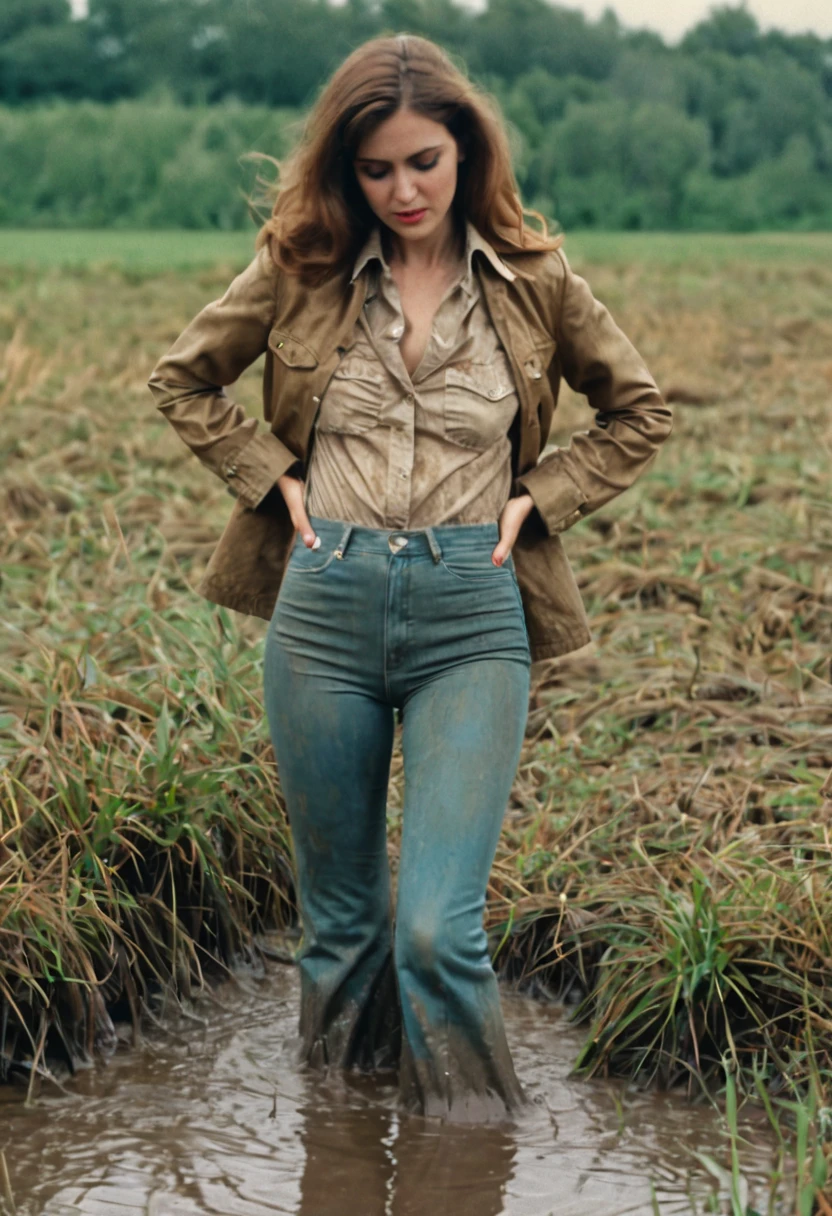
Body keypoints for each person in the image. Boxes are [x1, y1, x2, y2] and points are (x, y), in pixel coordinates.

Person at [148, 33, 672, 1122]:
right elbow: (183, 379)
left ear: (464, 150)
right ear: (347, 171)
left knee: (439, 927)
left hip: (471, 612)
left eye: (423, 162)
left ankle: (467, 1152)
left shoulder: (535, 278)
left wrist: (542, 496)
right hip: (325, 607)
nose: (402, 190)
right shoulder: (300, 268)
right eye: (376, 169)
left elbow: (640, 412)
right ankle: (338, 1142)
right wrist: (274, 476)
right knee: (339, 924)